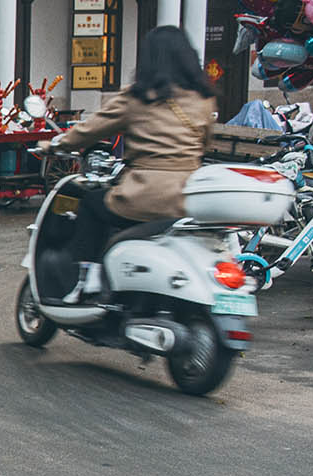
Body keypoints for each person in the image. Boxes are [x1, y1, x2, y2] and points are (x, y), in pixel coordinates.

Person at [45, 25, 216, 302]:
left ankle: (87, 280)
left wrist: (54, 145)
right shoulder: (203, 99)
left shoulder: (138, 96)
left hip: (143, 196)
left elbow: (90, 130)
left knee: (91, 205)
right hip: (187, 199)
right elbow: (205, 143)